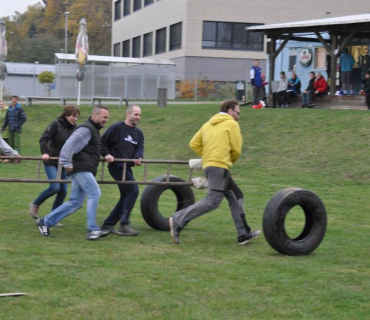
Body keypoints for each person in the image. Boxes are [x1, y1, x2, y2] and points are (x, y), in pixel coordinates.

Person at [169, 98, 261, 245]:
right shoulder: (231, 123)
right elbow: (236, 149)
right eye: (238, 112)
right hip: (219, 166)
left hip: (211, 166)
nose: (238, 116)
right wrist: (227, 160)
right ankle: (178, 219)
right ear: (230, 111)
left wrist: (207, 156)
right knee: (212, 201)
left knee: (236, 196)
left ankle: (243, 234)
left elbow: (193, 143)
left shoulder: (207, 124)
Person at [36, 106, 114, 240]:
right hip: (81, 168)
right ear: (95, 115)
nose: (106, 120)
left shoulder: (92, 129)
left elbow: (94, 148)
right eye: (104, 117)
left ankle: (45, 222)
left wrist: (106, 154)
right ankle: (92, 230)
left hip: (82, 168)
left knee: (75, 202)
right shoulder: (86, 129)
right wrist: (67, 163)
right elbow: (68, 146)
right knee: (95, 193)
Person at [29, 106, 80, 222]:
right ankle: (35, 204)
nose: (75, 119)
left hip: (64, 162)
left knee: (63, 191)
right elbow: (44, 138)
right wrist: (45, 153)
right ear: (67, 115)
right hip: (51, 160)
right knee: (55, 187)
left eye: (77, 117)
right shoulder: (56, 124)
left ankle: (52, 218)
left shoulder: (75, 128)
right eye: (73, 116)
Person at [100, 105, 144, 236]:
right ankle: (124, 224)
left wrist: (138, 158)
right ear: (128, 114)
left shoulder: (139, 133)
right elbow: (101, 143)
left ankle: (108, 224)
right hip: (116, 166)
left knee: (126, 194)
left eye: (139, 115)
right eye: (136, 114)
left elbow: (139, 149)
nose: (138, 117)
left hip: (127, 167)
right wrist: (106, 154)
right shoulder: (116, 128)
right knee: (133, 190)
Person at [0, 95, 27, 162]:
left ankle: (18, 158)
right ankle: (12, 159)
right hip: (10, 129)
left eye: (15, 99)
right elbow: (7, 120)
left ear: (17, 100)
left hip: (17, 129)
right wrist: (3, 128)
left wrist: (17, 125)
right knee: (11, 144)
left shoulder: (19, 108)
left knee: (16, 145)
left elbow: (24, 118)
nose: (13, 101)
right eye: (12, 99)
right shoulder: (10, 109)